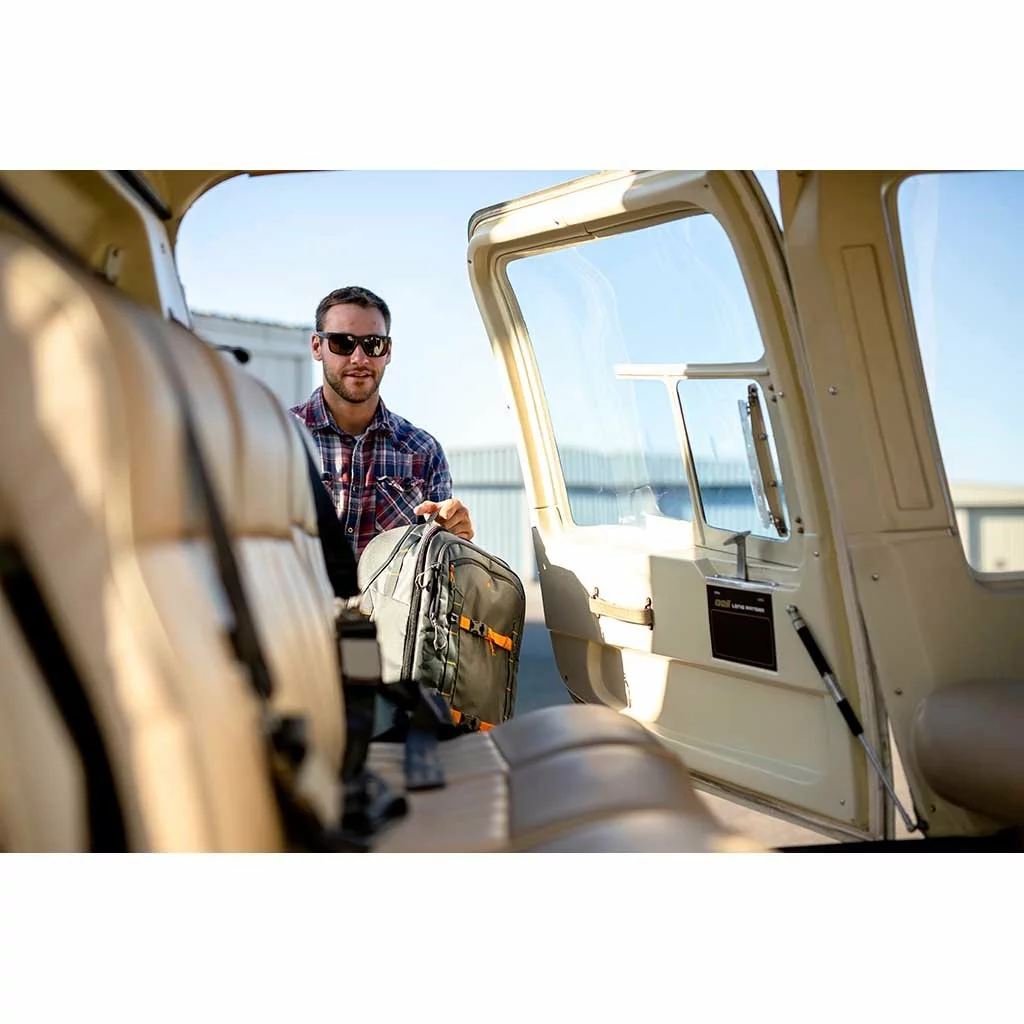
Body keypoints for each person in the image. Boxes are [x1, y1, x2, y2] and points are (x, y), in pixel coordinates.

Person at [290, 285, 474, 559]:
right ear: (317, 347)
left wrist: (454, 535)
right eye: (342, 343)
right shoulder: (278, 438)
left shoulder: (423, 451)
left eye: (373, 344)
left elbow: (439, 561)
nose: (359, 358)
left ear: (387, 352)